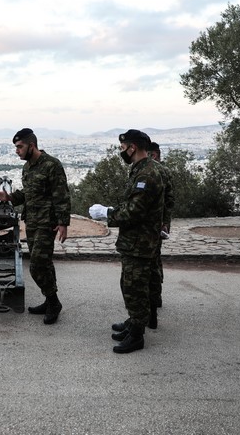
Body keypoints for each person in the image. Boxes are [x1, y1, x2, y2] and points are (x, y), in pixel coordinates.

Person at [89, 129, 164, 353]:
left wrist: (107, 213)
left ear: (132, 147)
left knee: (135, 287)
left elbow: (134, 212)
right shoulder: (141, 170)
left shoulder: (146, 174)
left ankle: (137, 335)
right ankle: (134, 323)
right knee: (129, 284)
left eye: (123, 148)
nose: (122, 152)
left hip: (140, 242)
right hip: (136, 241)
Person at [0, 128, 71, 325]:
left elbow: (62, 195)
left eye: (20, 147)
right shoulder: (27, 167)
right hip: (33, 222)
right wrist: (8, 197)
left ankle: (54, 302)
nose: (17, 150)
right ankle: (50, 300)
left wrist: (63, 223)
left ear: (31, 145)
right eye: (16, 147)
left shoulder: (52, 165)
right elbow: (27, 193)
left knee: (37, 266)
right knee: (43, 264)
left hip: (47, 224)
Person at [147, 142, 174, 328]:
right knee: (155, 261)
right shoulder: (164, 171)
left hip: (154, 224)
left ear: (154, 155)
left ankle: (153, 300)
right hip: (161, 223)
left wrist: (163, 223)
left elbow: (167, 200)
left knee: (152, 263)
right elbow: (170, 201)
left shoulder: (157, 172)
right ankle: (156, 297)